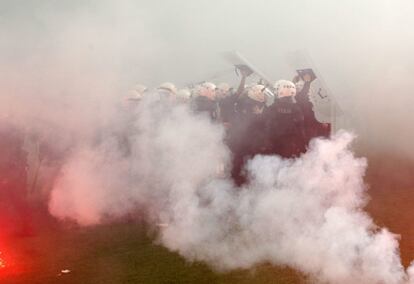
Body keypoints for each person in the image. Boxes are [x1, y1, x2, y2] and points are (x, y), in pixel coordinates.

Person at [265, 80, 306, 158]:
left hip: (275, 143)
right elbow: (300, 128)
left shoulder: (273, 107)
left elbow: (268, 125)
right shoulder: (296, 108)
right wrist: (303, 146)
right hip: (291, 144)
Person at [293, 69, 330, 144]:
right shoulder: (296, 98)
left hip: (315, 122)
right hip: (308, 125)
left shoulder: (311, 91)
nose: (298, 87)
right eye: (296, 86)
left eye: (300, 85)